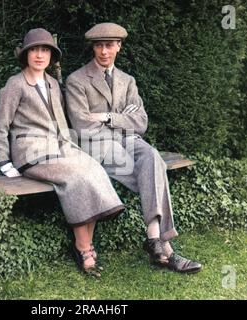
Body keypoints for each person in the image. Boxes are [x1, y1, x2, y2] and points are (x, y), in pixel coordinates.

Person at [65, 23, 202, 273]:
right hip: (98, 148)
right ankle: (165, 248)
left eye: (109, 45)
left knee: (152, 157)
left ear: (119, 46)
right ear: (93, 48)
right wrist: (120, 121)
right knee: (153, 171)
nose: (104, 51)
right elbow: (83, 126)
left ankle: (153, 238)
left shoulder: (128, 81)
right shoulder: (76, 80)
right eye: (99, 45)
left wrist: (106, 117)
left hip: (129, 143)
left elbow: (141, 122)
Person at [0, 28, 124, 277]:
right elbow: (1, 125)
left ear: (51, 56)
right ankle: (84, 248)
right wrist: (3, 161)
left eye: (45, 50)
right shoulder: (15, 84)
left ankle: (86, 243)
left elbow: (61, 121)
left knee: (93, 168)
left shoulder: (52, 84)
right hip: (31, 152)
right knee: (75, 176)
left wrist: (72, 147)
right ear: (26, 55)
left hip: (59, 147)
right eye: (34, 50)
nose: (40, 55)